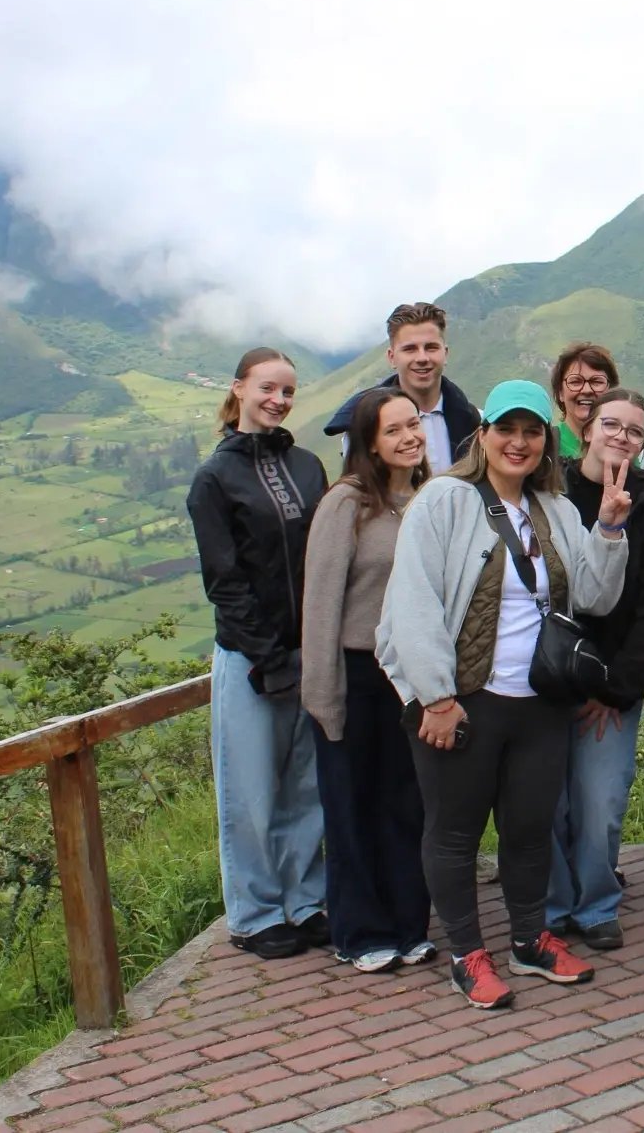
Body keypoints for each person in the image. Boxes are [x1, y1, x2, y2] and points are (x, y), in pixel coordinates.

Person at [376, 379, 633, 1009]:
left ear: (547, 442)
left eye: (532, 431)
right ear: (482, 433)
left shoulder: (558, 511)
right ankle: (467, 953)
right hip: (464, 700)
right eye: (506, 429)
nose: (518, 442)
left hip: (539, 703)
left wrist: (607, 531)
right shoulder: (444, 502)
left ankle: (528, 940)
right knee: (455, 833)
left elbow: (596, 598)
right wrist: (435, 698)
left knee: (528, 829)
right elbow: (413, 604)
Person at [187, 348, 330, 959]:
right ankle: (254, 913)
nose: (278, 399)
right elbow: (225, 580)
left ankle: (305, 900)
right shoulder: (214, 479)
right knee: (249, 791)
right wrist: (267, 657)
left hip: (310, 654)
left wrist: (311, 650)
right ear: (239, 388)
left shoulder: (306, 465)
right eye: (267, 387)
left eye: (288, 391)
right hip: (248, 660)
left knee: (305, 786)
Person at [300, 388, 437, 973]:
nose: (409, 436)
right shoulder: (347, 503)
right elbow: (321, 605)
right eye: (394, 430)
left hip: (408, 677)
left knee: (407, 804)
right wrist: (323, 696)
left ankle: (410, 924)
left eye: (414, 425)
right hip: (355, 673)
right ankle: (360, 932)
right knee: (352, 804)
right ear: (371, 444)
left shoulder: (428, 499)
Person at [546, 388, 644, 950]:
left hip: (610, 688)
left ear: (643, 444)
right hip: (544, 681)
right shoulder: (548, 494)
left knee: (600, 801)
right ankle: (551, 903)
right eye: (611, 424)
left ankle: (596, 903)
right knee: (547, 802)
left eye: (633, 430)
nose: (620, 436)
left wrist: (618, 689)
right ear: (587, 428)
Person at [323, 302, 482, 474]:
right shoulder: (363, 426)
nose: (422, 358)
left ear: (445, 354)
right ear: (392, 358)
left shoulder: (476, 422)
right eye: (410, 349)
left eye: (431, 347)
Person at [549, 342, 620, 460]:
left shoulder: (622, 447)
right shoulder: (546, 447)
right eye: (575, 382)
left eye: (596, 382)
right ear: (560, 392)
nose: (586, 390)